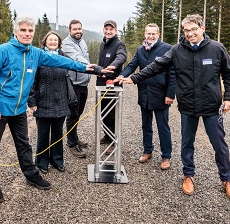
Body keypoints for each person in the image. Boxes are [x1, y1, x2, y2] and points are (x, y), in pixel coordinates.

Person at [118, 14, 230, 202]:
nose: (190, 34)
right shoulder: (177, 51)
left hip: (211, 106)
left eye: (194, 29)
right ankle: (188, 175)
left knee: (219, 145)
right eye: (187, 31)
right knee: (187, 143)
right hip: (188, 106)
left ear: (202, 28)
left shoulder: (217, 49)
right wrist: (134, 78)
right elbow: (155, 66)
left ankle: (227, 180)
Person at [0, 15, 101, 203]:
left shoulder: (35, 54)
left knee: (24, 145)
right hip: (0, 110)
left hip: (19, 110)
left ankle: (31, 174)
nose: (27, 34)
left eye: (30, 31)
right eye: (23, 30)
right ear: (15, 32)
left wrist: (87, 68)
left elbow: (63, 62)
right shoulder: (2, 51)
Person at [119, 23, 176, 170]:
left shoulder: (167, 48)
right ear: (145, 34)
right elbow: (132, 66)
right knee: (146, 125)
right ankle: (147, 151)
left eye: (154, 34)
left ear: (158, 34)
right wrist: (121, 75)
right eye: (148, 34)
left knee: (163, 126)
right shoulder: (140, 50)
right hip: (144, 93)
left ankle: (166, 156)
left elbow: (172, 73)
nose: (151, 36)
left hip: (161, 94)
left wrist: (170, 93)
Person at [28, 31, 70, 174]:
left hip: (60, 102)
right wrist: (32, 101)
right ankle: (41, 162)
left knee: (58, 134)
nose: (53, 42)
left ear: (59, 43)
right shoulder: (38, 57)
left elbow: (76, 68)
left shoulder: (64, 57)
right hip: (43, 102)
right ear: (45, 42)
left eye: (55, 40)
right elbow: (32, 82)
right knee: (43, 135)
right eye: (50, 40)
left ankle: (57, 161)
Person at [61, 20, 91, 158]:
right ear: (70, 31)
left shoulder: (83, 42)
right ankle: (72, 144)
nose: (78, 31)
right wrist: (91, 66)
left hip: (83, 85)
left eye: (80, 28)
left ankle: (75, 138)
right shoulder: (66, 44)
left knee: (78, 114)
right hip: (73, 85)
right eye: (75, 29)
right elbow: (77, 58)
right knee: (72, 115)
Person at [97, 20, 127, 154]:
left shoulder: (119, 44)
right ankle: (107, 135)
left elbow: (122, 56)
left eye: (111, 29)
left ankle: (114, 142)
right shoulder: (103, 43)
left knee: (113, 114)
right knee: (103, 113)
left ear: (115, 31)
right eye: (106, 29)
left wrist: (114, 65)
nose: (108, 31)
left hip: (113, 85)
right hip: (101, 84)